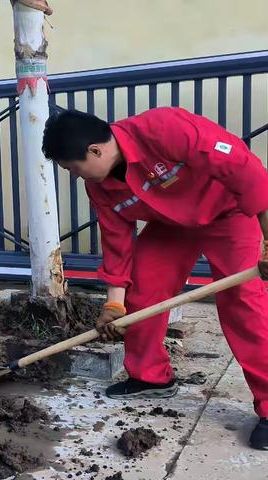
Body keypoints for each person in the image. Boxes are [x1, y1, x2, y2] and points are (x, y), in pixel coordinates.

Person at [42, 106, 268, 450]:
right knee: (143, 289)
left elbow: (246, 170)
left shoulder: (165, 129)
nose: (76, 176)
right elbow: (117, 245)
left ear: (95, 150)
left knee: (243, 302)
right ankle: (150, 376)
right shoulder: (100, 188)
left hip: (229, 212)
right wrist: (115, 305)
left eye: (74, 168)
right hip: (173, 225)